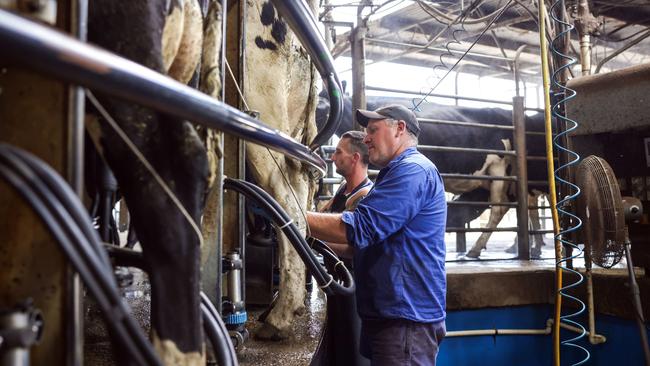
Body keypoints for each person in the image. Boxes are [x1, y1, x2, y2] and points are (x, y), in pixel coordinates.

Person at [307, 104, 447, 365]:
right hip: (389, 314)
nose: (367, 138)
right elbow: (367, 244)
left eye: (373, 130)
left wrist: (293, 216)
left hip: (406, 319)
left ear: (400, 129)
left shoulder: (413, 170)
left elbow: (362, 227)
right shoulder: (392, 174)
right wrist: (312, 240)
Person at [312, 130, 372, 366]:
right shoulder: (342, 190)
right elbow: (322, 217)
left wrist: (312, 238)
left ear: (355, 158)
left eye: (338, 152)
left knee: (353, 353)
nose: (333, 157)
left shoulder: (363, 196)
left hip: (354, 288)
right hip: (337, 284)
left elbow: (354, 246)